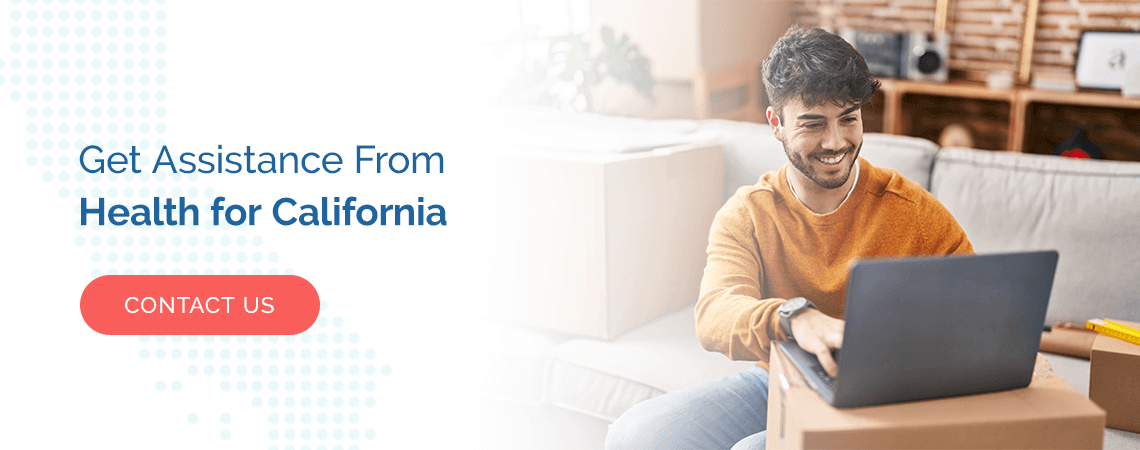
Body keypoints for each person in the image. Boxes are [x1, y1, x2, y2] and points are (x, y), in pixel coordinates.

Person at [605, 25, 974, 450]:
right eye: (813, 124)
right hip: (779, 379)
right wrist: (793, 317)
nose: (836, 141)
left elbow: (979, 309)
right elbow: (715, 314)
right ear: (776, 124)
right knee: (633, 435)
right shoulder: (748, 213)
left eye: (848, 119)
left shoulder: (912, 211)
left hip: (884, 396)